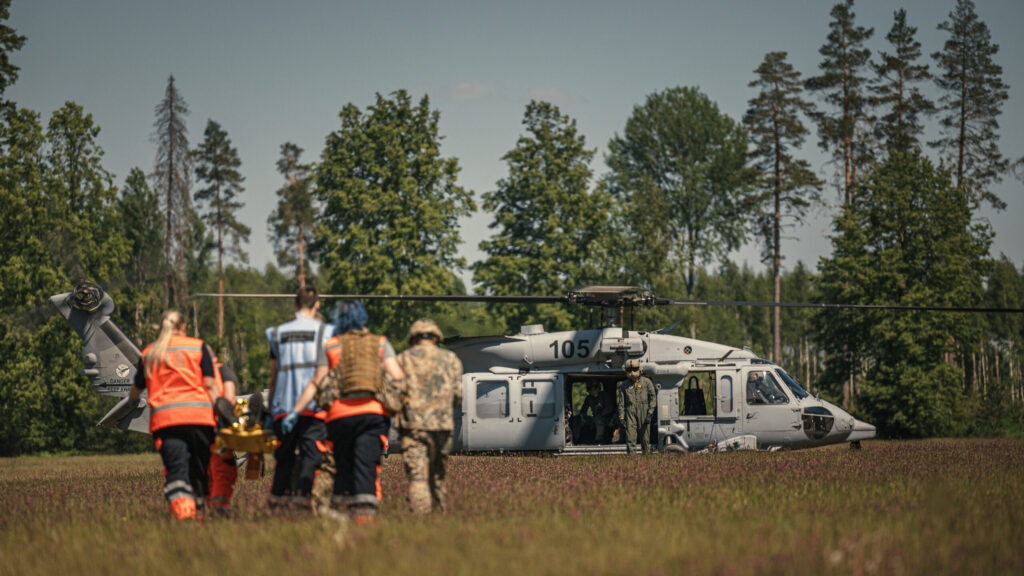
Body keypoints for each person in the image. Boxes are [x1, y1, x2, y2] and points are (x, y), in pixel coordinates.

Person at [284, 301, 405, 524]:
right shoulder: (380, 343)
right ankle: (364, 522)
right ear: (363, 319)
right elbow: (398, 376)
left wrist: (296, 410)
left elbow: (316, 382)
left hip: (339, 418)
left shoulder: (332, 345)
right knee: (366, 468)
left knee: (343, 468)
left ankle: (339, 519)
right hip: (372, 415)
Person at [128, 310, 220, 520]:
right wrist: (221, 411)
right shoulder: (198, 347)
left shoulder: (150, 352)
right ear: (184, 327)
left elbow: (137, 388)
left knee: (177, 469)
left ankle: (183, 513)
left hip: (167, 421)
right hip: (200, 419)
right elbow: (210, 384)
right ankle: (198, 511)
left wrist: (132, 400)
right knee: (200, 468)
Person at [266, 286, 333, 511]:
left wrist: (270, 409)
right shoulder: (327, 332)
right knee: (310, 457)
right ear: (317, 304)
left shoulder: (276, 333)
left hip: (283, 406)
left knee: (283, 459)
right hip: (314, 407)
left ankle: (277, 504)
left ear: (295, 304)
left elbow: (273, 377)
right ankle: (302, 501)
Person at [393, 319, 463, 515]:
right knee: (438, 477)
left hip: (413, 428)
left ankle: (421, 520)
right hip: (442, 428)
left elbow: (393, 395)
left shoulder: (403, 359)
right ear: (436, 337)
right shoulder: (451, 360)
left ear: (413, 338)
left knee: (418, 479)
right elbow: (458, 394)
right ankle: (439, 516)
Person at [207, 354, 238, 516]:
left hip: (193, 429)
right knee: (223, 471)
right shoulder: (222, 371)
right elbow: (229, 400)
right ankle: (219, 506)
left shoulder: (191, 374)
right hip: (216, 431)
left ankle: (200, 508)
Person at [616, 359, 656, 454]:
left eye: (634, 369)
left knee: (645, 438)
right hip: (630, 412)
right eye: (629, 370)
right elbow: (621, 402)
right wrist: (621, 416)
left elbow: (653, 397)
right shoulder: (624, 385)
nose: (632, 372)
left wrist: (650, 413)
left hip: (644, 411)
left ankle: (646, 457)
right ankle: (632, 459)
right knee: (630, 437)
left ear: (639, 369)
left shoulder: (647, 382)